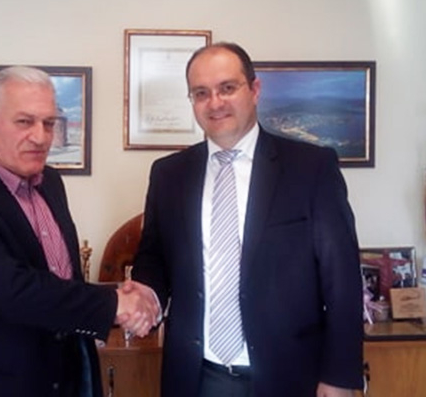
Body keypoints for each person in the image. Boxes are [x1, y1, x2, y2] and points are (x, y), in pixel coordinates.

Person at [131, 42, 364, 397]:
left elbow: (342, 277)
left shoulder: (311, 168)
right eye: (201, 93)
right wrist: (146, 295)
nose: (215, 102)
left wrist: (340, 377)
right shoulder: (169, 175)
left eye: (227, 88)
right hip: (197, 376)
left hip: (290, 374)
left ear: (254, 90)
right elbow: (154, 258)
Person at [0, 66, 159, 397]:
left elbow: (63, 278)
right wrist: (115, 304)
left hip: (65, 379)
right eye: (25, 122)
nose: (41, 137)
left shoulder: (50, 182)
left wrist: (125, 295)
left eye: (49, 123)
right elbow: (14, 291)